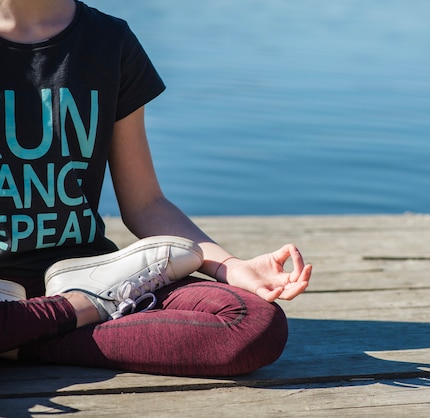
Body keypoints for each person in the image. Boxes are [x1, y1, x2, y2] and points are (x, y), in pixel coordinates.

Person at [0, 0, 312, 376]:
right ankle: (69, 314)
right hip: (87, 296)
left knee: (251, 322)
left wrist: (229, 266)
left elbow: (145, 202)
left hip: (93, 275)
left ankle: (24, 331)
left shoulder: (109, 41)